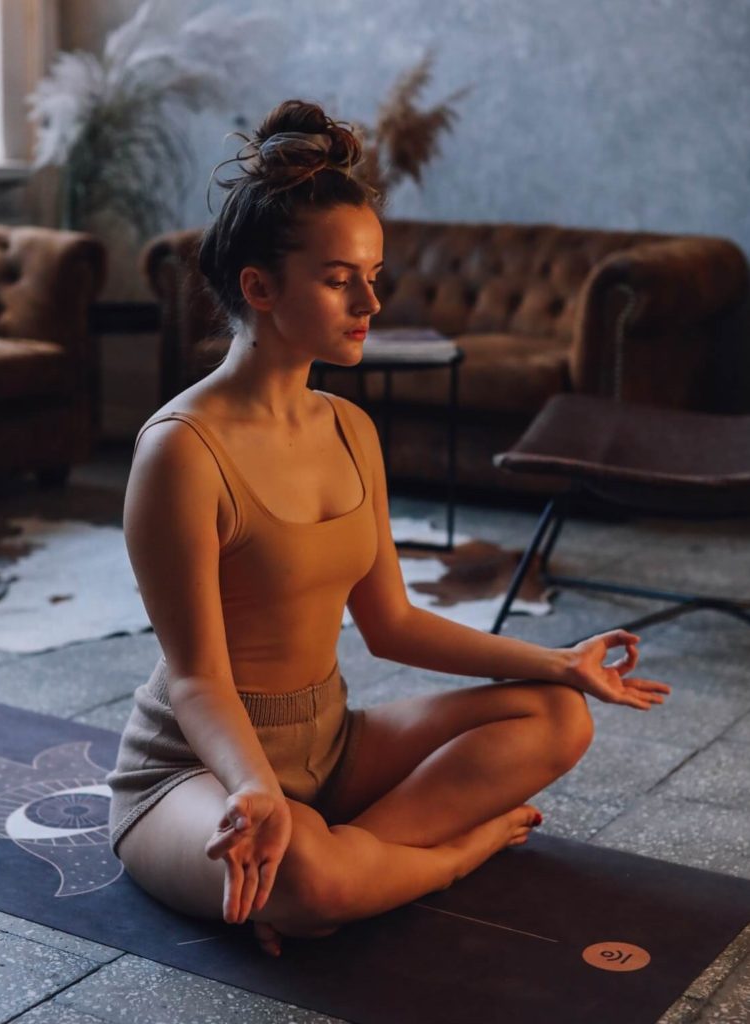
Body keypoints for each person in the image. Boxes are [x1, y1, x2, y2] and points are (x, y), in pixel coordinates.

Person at [106, 99, 671, 958]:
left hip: (330, 744)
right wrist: (255, 789)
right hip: (196, 769)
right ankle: (435, 860)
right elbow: (194, 681)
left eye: (374, 273)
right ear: (258, 287)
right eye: (340, 278)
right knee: (306, 882)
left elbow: (392, 625)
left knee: (560, 718)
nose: (371, 299)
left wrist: (561, 661)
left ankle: (351, 864)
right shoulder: (180, 452)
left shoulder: (348, 428)